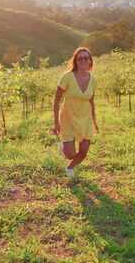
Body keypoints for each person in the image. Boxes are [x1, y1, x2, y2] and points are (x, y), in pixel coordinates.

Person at [52, 47, 98, 178]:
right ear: (76, 61)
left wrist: (94, 121)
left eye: (86, 58)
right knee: (70, 154)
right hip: (68, 117)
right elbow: (56, 101)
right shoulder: (67, 77)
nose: (83, 60)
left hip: (85, 118)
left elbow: (91, 101)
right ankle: (65, 151)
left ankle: (70, 167)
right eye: (80, 58)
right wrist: (56, 123)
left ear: (90, 61)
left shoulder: (93, 80)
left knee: (83, 151)